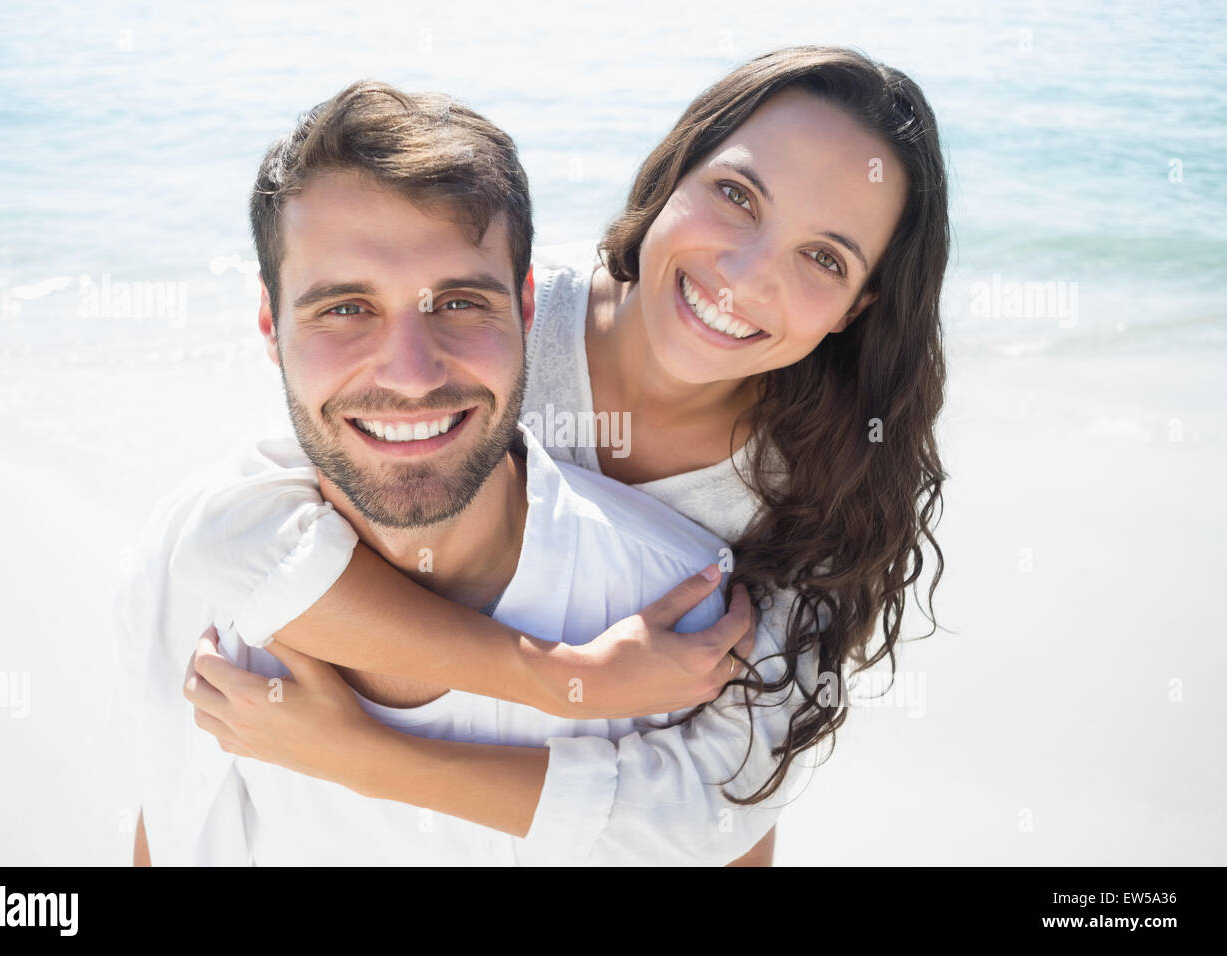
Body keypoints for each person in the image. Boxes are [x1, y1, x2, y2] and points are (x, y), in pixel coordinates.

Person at [170, 45, 950, 865]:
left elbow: (705, 809)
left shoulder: (820, 499)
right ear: (672, 172)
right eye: (736, 195)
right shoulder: (491, 327)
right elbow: (234, 535)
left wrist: (360, 756)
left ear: (856, 309)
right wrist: (558, 674)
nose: (747, 276)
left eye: (824, 257)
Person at [116, 78, 765, 866]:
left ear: (527, 308)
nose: (413, 374)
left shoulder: (677, 615)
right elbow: (177, 827)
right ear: (270, 324)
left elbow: (709, 828)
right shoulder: (195, 573)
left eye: (458, 303)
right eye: (346, 309)